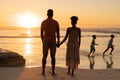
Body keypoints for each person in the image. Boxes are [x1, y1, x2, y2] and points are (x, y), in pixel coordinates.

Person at [41, 9, 60, 75]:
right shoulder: (56, 22)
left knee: (44, 55)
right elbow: (58, 33)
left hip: (46, 39)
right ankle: (53, 72)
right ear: (52, 14)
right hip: (52, 39)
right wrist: (58, 41)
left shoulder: (43, 22)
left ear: (47, 14)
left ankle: (43, 71)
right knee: (53, 56)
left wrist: (43, 41)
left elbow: (41, 33)